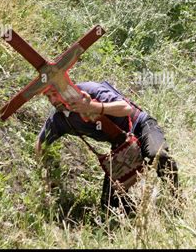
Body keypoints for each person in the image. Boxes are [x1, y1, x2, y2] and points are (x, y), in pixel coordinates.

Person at [35, 81, 179, 214]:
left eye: (55, 94)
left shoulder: (89, 90)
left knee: (157, 155)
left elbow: (126, 108)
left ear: (65, 89)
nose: (53, 101)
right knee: (109, 206)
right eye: (48, 97)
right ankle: (143, 214)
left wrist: (91, 106)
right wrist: (47, 175)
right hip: (122, 144)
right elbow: (40, 145)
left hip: (141, 126)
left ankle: (176, 200)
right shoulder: (60, 119)